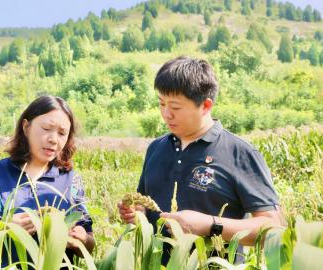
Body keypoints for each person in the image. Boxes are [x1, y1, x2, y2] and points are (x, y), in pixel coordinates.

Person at [118, 56, 283, 265]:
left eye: (175, 107)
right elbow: (144, 204)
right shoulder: (156, 148)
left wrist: (210, 225)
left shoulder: (240, 153)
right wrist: (137, 213)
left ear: (205, 105)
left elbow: (273, 229)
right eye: (161, 103)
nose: (166, 114)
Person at [0, 95, 95, 269]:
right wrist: (4, 228)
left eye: (62, 133)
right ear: (26, 127)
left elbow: (89, 245)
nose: (54, 139)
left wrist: (81, 239)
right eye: (46, 128)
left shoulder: (70, 180)